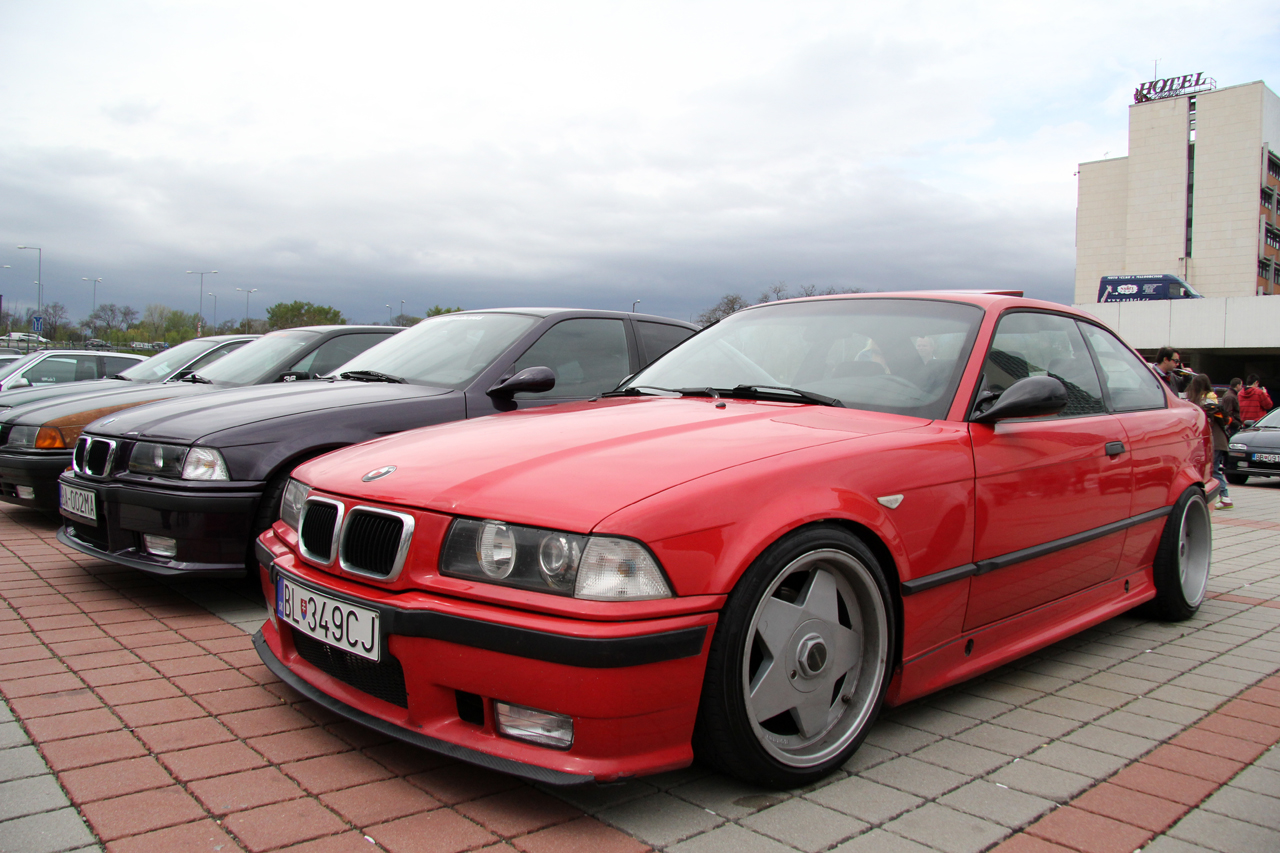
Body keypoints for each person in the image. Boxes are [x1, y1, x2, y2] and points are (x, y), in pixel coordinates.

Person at [1186, 374, 1232, 509]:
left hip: (1215, 442)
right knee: (1211, 470)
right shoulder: (1210, 401)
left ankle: (1225, 497)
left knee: (1214, 470)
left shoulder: (1204, 404)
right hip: (1217, 441)